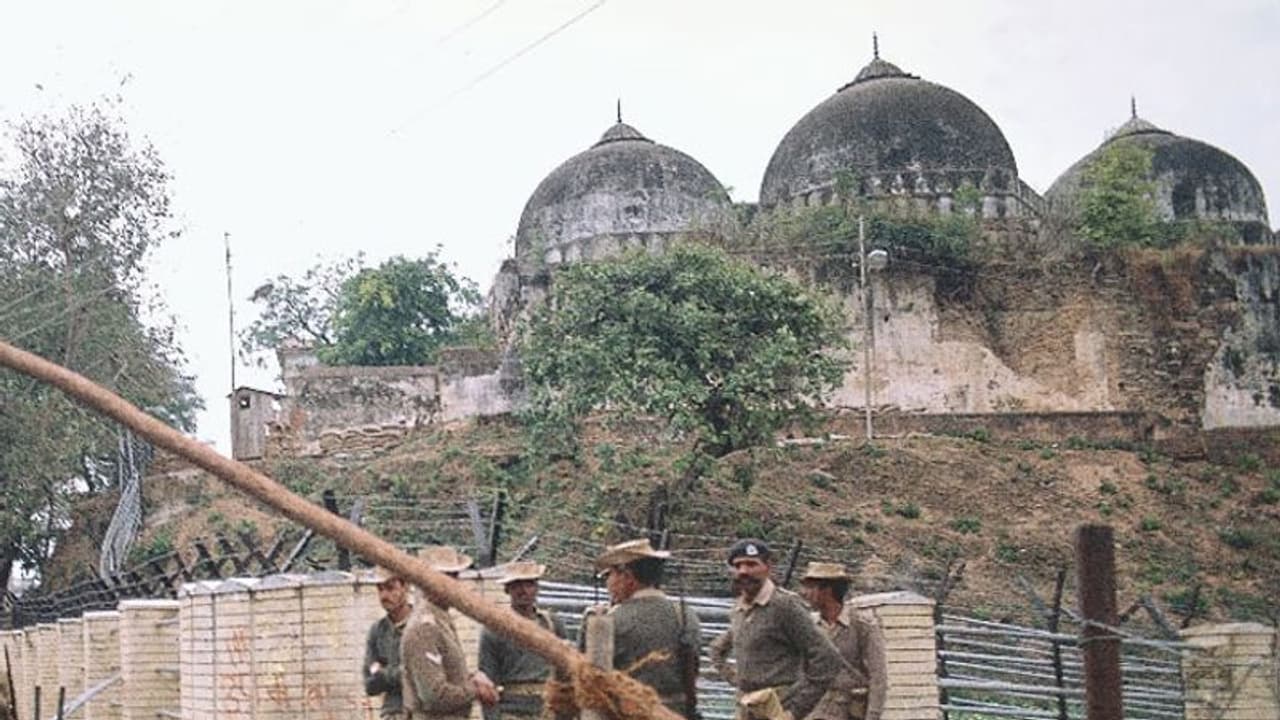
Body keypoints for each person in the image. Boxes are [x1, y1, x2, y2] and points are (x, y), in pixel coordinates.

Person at [709, 539, 844, 720]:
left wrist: (796, 710)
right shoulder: (739, 608)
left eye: (751, 564)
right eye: (737, 565)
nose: (744, 571)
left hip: (778, 707)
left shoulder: (784, 606)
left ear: (767, 567)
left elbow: (828, 658)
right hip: (746, 708)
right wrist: (737, 680)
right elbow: (718, 649)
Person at [585, 538, 702, 719]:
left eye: (609, 575)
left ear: (627, 577)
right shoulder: (686, 615)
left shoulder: (607, 620)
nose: (608, 583)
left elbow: (584, 677)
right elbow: (693, 668)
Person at [400, 545, 496, 720]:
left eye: (454, 577)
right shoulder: (424, 628)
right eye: (443, 579)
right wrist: (475, 690)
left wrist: (472, 677)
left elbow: (447, 674)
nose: (451, 585)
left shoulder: (440, 619)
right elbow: (434, 695)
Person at [475, 561, 568, 720]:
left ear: (537, 588)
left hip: (550, 710)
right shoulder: (495, 629)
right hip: (512, 711)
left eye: (529, 584)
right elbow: (487, 685)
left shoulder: (552, 624)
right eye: (517, 585)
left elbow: (567, 672)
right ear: (507, 589)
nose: (523, 591)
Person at [798, 562, 887, 720]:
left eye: (811, 587)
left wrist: (873, 716)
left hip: (849, 711)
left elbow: (878, 676)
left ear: (827, 590)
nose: (805, 593)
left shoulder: (861, 625)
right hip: (814, 711)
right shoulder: (808, 625)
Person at [364, 565, 415, 718]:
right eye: (380, 589)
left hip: (422, 712)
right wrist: (400, 673)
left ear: (405, 586)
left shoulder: (420, 625)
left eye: (390, 588)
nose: (384, 596)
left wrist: (382, 672)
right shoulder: (378, 630)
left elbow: (420, 676)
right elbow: (370, 685)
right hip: (393, 711)